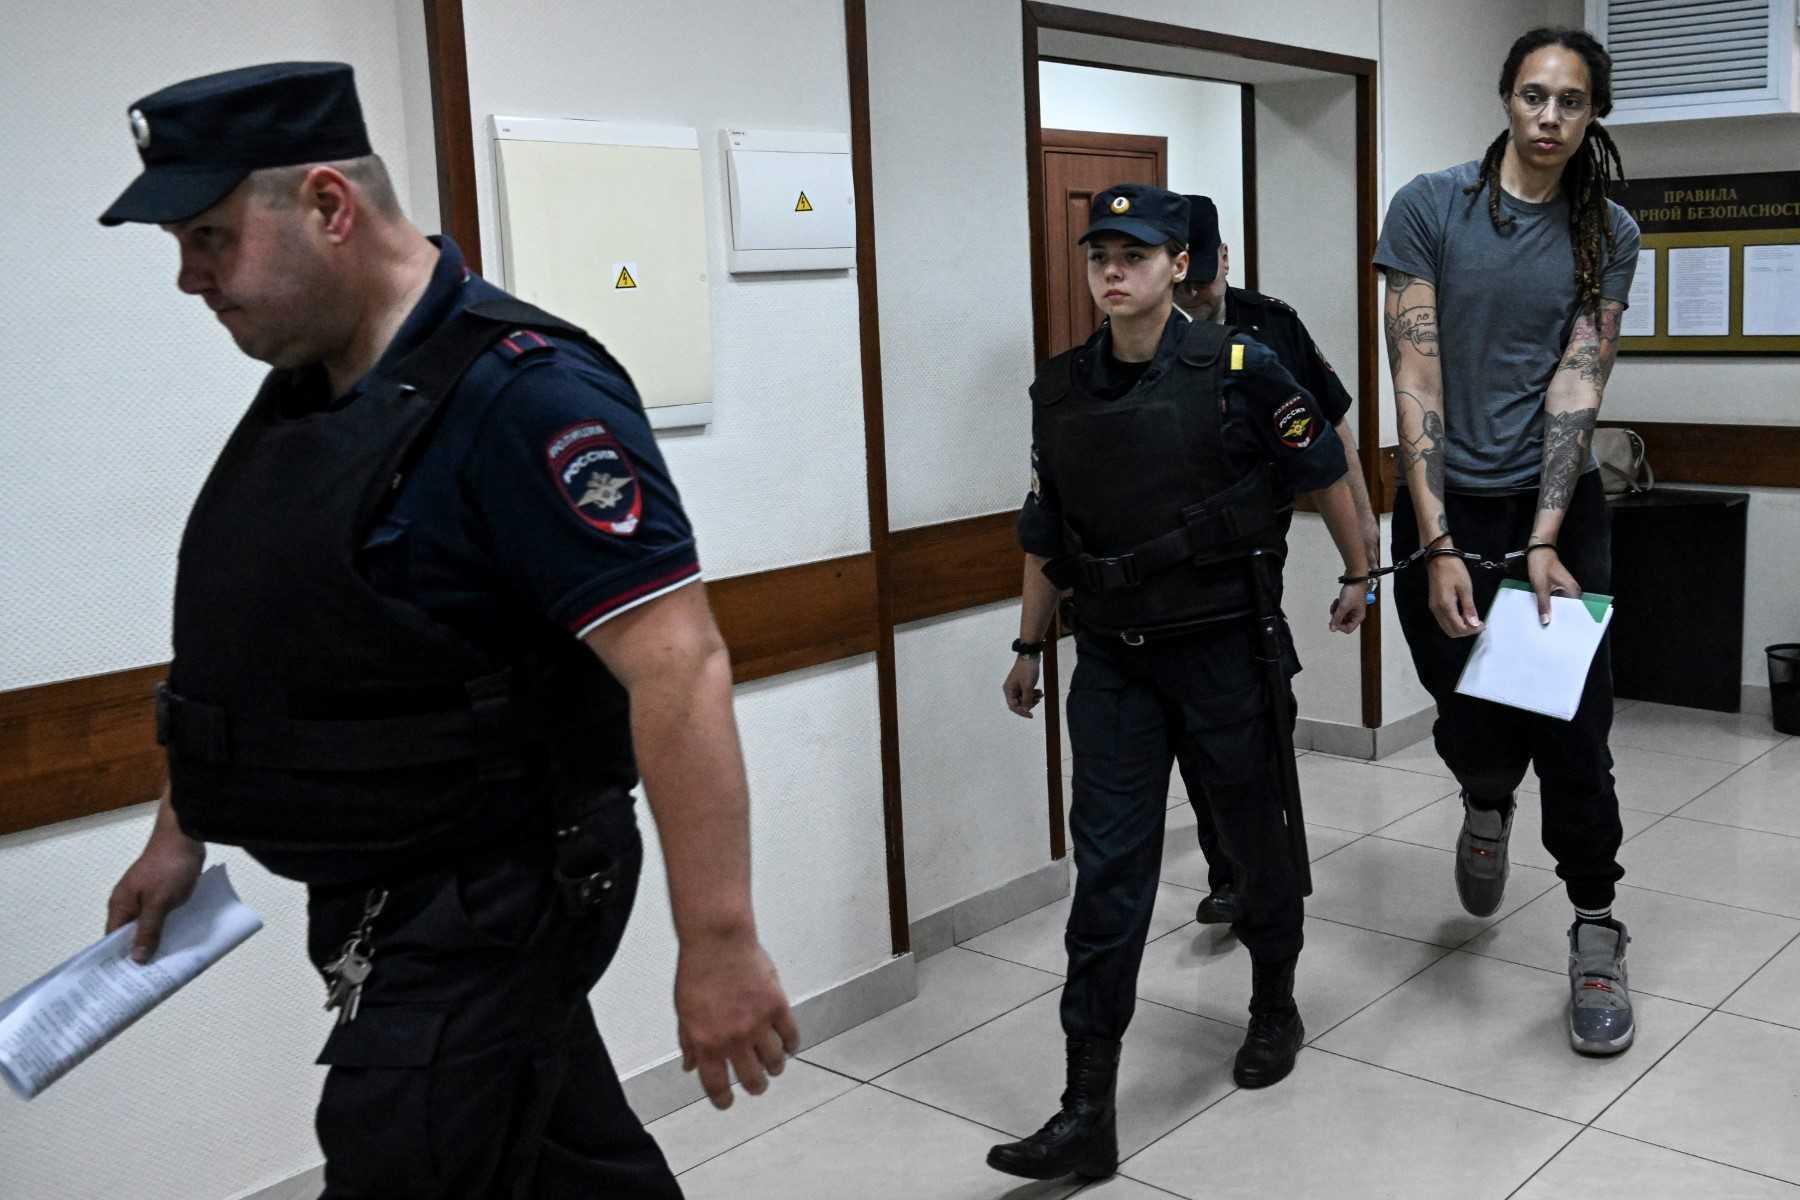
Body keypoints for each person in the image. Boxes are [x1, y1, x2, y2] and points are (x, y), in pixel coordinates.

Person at [98, 62, 797, 1197]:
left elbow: (679, 663)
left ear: (329, 206)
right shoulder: (321, 392)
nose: (190, 277)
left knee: (400, 1159)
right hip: (389, 878)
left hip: (500, 886)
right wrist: (182, 828)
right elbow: (263, 636)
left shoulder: (527, 396)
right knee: (563, 1151)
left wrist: (717, 941)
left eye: (211, 237)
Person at [992, 183, 1370, 1183]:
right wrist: (1030, 644)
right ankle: (1086, 1107)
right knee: (1108, 876)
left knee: (1253, 841)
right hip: (1113, 661)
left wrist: (1359, 569)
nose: (1113, 272)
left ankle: (1275, 1001)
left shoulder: (1245, 368)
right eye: (1099, 256)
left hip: (1223, 651)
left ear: (1178, 268)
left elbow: (1323, 464)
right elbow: (1047, 528)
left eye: (1136, 255)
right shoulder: (1060, 389)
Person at [1373, 27, 1640, 1056]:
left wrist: (1543, 532)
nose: (1549, 117)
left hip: (1556, 512)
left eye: (1571, 102)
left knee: (1575, 732)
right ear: (1505, 98)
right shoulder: (1429, 207)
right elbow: (1417, 377)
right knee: (1469, 708)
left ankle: (1595, 923)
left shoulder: (1604, 230)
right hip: (1444, 505)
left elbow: (1582, 380)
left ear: (1590, 117)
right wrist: (1437, 539)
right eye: (1533, 95)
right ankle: (1486, 797)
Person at [1172, 194, 1381, 928]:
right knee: (1201, 737)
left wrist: (1363, 541)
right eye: (1181, 280)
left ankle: (1265, 865)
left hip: (1257, 562)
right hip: (1174, 574)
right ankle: (1230, 873)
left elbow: (1333, 434)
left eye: (1202, 277)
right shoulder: (1138, 338)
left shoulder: (1272, 325)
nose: (1193, 294)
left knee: (1263, 717)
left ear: (1222, 260)